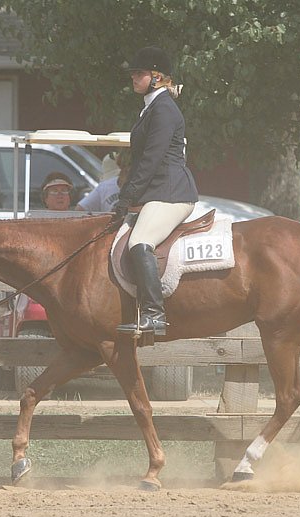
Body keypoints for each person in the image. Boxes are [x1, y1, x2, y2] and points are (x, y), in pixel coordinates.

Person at [113, 46, 198, 336]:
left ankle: (154, 315)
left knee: (139, 242)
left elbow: (151, 160)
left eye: (139, 73)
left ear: (158, 77)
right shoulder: (151, 106)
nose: (133, 78)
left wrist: (126, 197)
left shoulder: (163, 109)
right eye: (133, 73)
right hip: (158, 191)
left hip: (171, 193)